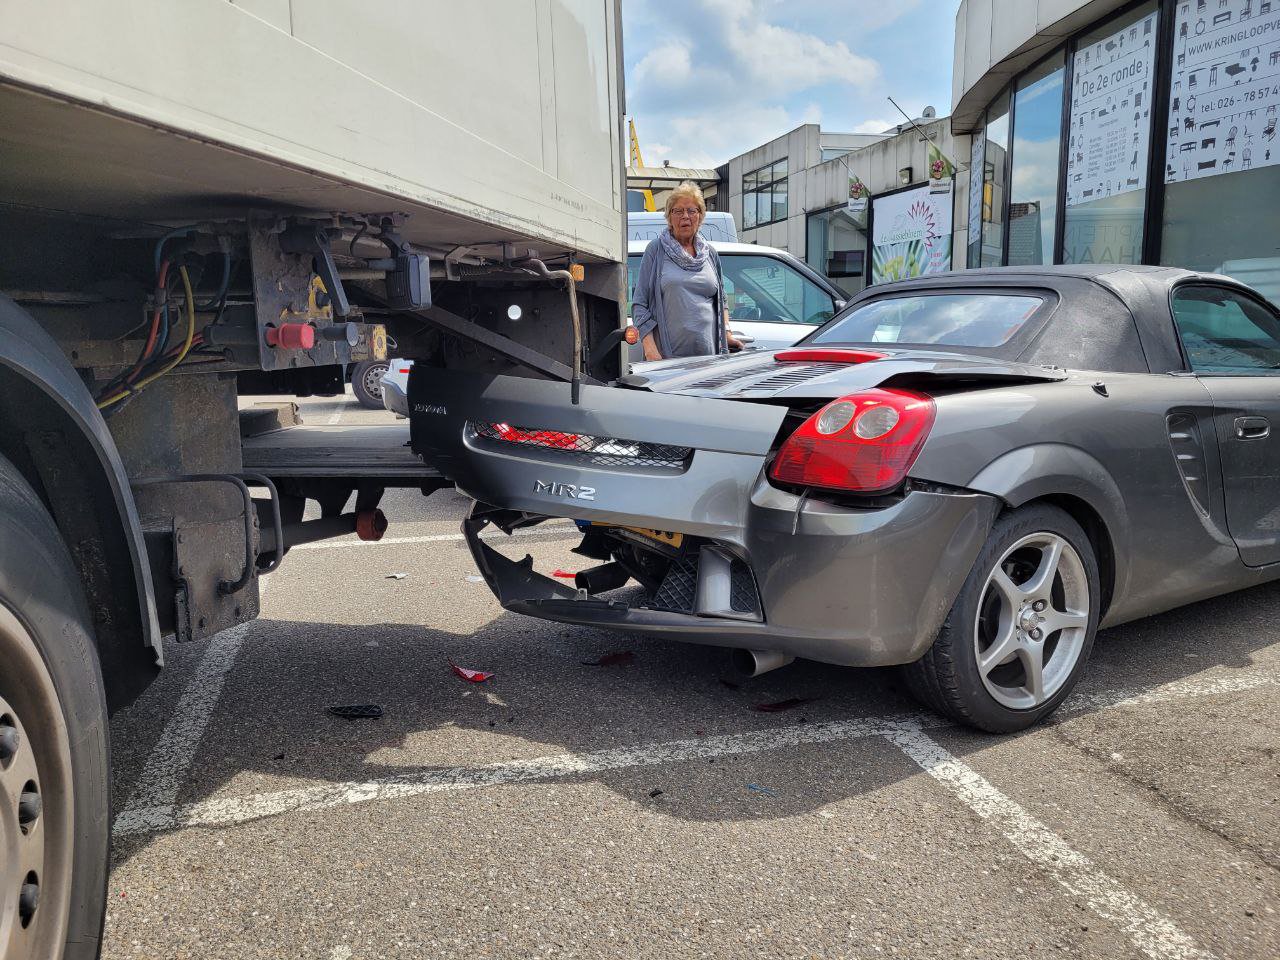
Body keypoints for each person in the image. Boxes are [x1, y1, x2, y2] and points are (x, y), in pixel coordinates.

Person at [631, 182, 742, 361]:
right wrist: (650, 350)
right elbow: (639, 304)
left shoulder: (710, 254)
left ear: (700, 216)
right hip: (667, 358)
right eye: (678, 211)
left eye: (692, 211)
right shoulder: (656, 250)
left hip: (709, 357)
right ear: (669, 216)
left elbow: (721, 301)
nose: (685, 217)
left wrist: (727, 334)